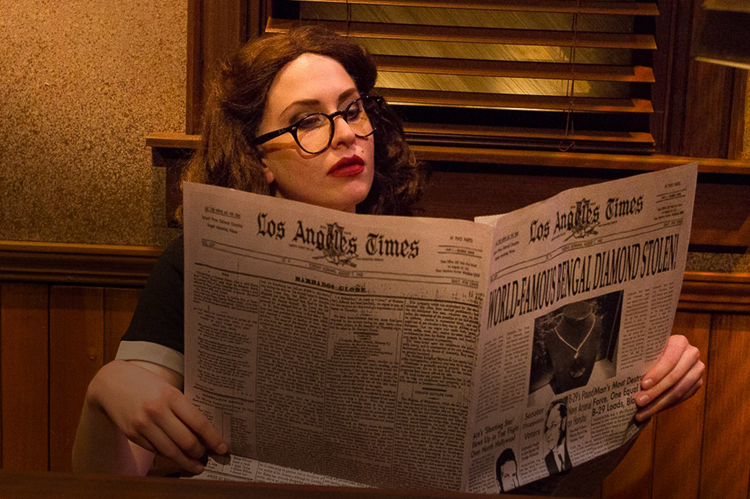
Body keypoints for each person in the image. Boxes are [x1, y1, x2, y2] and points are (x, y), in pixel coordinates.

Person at [72, 26, 705, 481]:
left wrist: (637, 391)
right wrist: (107, 392)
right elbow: (110, 477)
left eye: (352, 109)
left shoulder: (433, 264)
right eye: (308, 121)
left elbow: (547, 477)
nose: (348, 132)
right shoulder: (195, 263)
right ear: (257, 158)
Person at [543, 400, 572, 475]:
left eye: (553, 425)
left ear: (563, 423)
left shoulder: (571, 450)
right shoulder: (547, 460)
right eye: (547, 428)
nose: (547, 433)